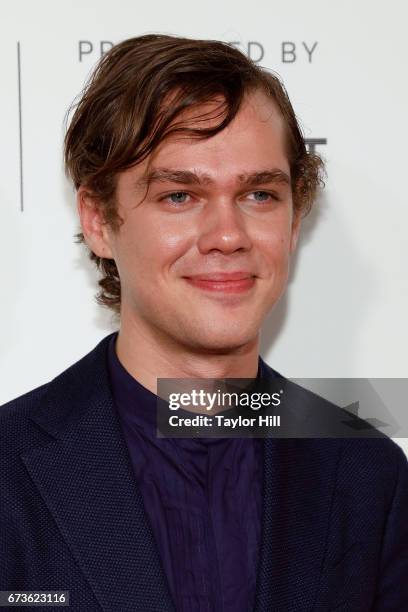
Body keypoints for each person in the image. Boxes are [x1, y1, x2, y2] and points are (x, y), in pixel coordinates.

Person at [1, 34, 407, 612]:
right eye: (180, 196)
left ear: (295, 221)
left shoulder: (366, 474)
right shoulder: (8, 467)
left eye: (260, 194)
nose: (227, 235)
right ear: (98, 219)